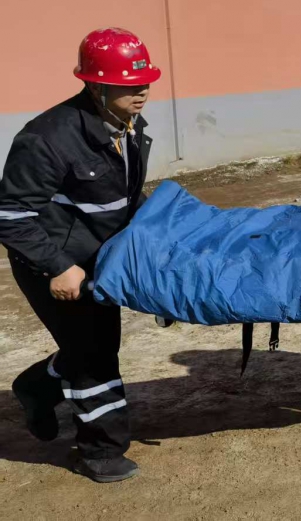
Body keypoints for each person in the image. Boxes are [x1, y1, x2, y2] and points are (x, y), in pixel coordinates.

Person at [0, 28, 160, 481]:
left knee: (95, 345)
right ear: (94, 85)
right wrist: (57, 266)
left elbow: (121, 197)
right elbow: (10, 215)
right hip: (52, 262)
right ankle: (101, 452)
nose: (141, 91)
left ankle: (37, 386)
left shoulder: (127, 124)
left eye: (145, 81)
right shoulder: (45, 138)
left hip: (97, 256)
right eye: (128, 84)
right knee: (93, 353)